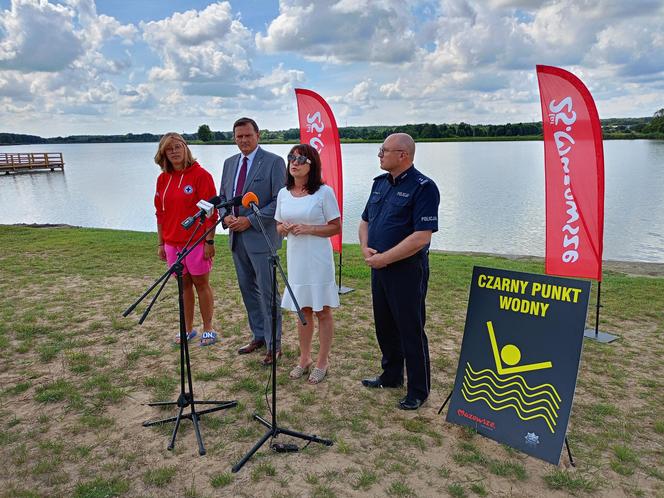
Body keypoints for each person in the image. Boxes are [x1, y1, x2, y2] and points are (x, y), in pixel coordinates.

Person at [359, 133, 440, 410]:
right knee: (384, 325)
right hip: (379, 267)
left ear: (403, 155)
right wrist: (365, 248)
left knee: (411, 328)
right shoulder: (380, 184)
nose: (379, 155)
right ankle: (391, 375)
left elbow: (421, 237)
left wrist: (386, 259)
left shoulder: (424, 187)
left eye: (384, 150)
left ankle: (418, 389)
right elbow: (364, 221)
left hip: (407, 269)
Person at [219, 117, 287, 365]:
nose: (244, 140)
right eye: (239, 136)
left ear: (258, 135)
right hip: (237, 240)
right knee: (248, 290)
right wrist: (226, 218)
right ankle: (259, 335)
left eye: (248, 135)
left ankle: (274, 344)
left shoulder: (274, 162)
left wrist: (249, 221)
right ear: (234, 138)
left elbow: (279, 201)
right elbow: (224, 198)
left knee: (268, 293)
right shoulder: (229, 163)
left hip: (262, 239)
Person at [275, 144, 341, 384]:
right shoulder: (284, 193)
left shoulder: (324, 192)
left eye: (300, 158)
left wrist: (310, 228)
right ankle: (305, 358)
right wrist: (285, 228)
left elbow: (336, 226)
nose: (294, 162)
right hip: (297, 259)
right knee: (302, 310)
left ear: (311, 164)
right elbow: (278, 226)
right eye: (291, 157)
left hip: (318, 258)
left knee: (322, 310)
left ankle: (323, 360)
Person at [154, 132, 219, 347]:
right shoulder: (163, 179)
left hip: (197, 242)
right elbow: (160, 214)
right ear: (163, 154)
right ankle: (188, 329)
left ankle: (208, 328)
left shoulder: (201, 176)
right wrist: (161, 243)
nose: (174, 152)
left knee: (201, 284)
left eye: (177, 147)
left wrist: (209, 241)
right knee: (183, 287)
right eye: (168, 149)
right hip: (173, 244)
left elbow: (211, 212)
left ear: (185, 148)